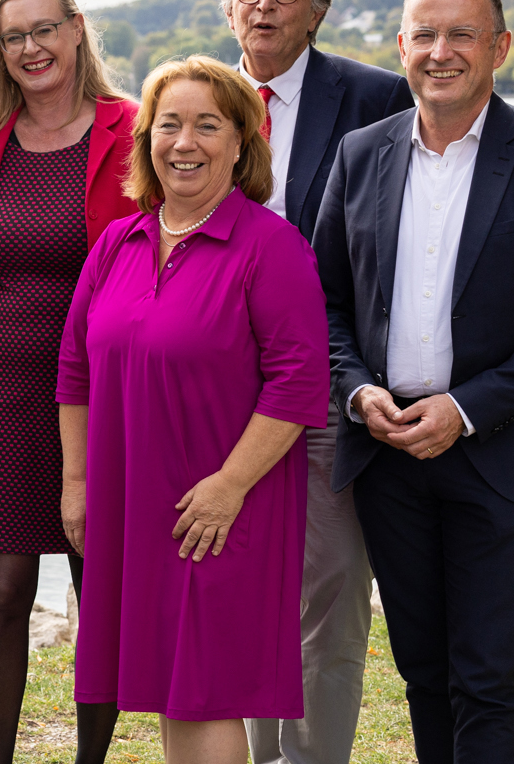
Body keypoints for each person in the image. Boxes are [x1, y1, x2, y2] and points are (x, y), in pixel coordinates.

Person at [314, 0, 514, 764]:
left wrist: (469, 406)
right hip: (387, 454)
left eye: (462, 34)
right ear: (402, 44)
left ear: (500, 48)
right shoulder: (359, 154)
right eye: (425, 34)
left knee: (487, 682)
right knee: (423, 676)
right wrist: (356, 391)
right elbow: (323, 304)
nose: (440, 51)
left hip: (501, 457)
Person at [57, 55, 328, 764]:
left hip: (222, 508)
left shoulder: (271, 247)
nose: (185, 142)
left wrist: (229, 486)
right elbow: (75, 370)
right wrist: (77, 483)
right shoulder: (118, 243)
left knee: (206, 686)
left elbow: (299, 383)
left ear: (242, 141)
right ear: (146, 138)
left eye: (208, 125)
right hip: (133, 503)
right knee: (169, 687)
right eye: (169, 124)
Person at [214, 0, 415, 764]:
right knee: (236, 594)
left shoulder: (377, 98)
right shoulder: (199, 96)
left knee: (330, 595)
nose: (264, 5)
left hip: (330, 383)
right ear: (228, 3)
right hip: (218, 389)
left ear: (318, 10)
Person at [0, 0, 136, 764]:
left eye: (44, 30)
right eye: (14, 37)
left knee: (103, 597)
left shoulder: (135, 128)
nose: (31, 48)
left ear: (77, 29)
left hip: (108, 394)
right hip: (1, 388)